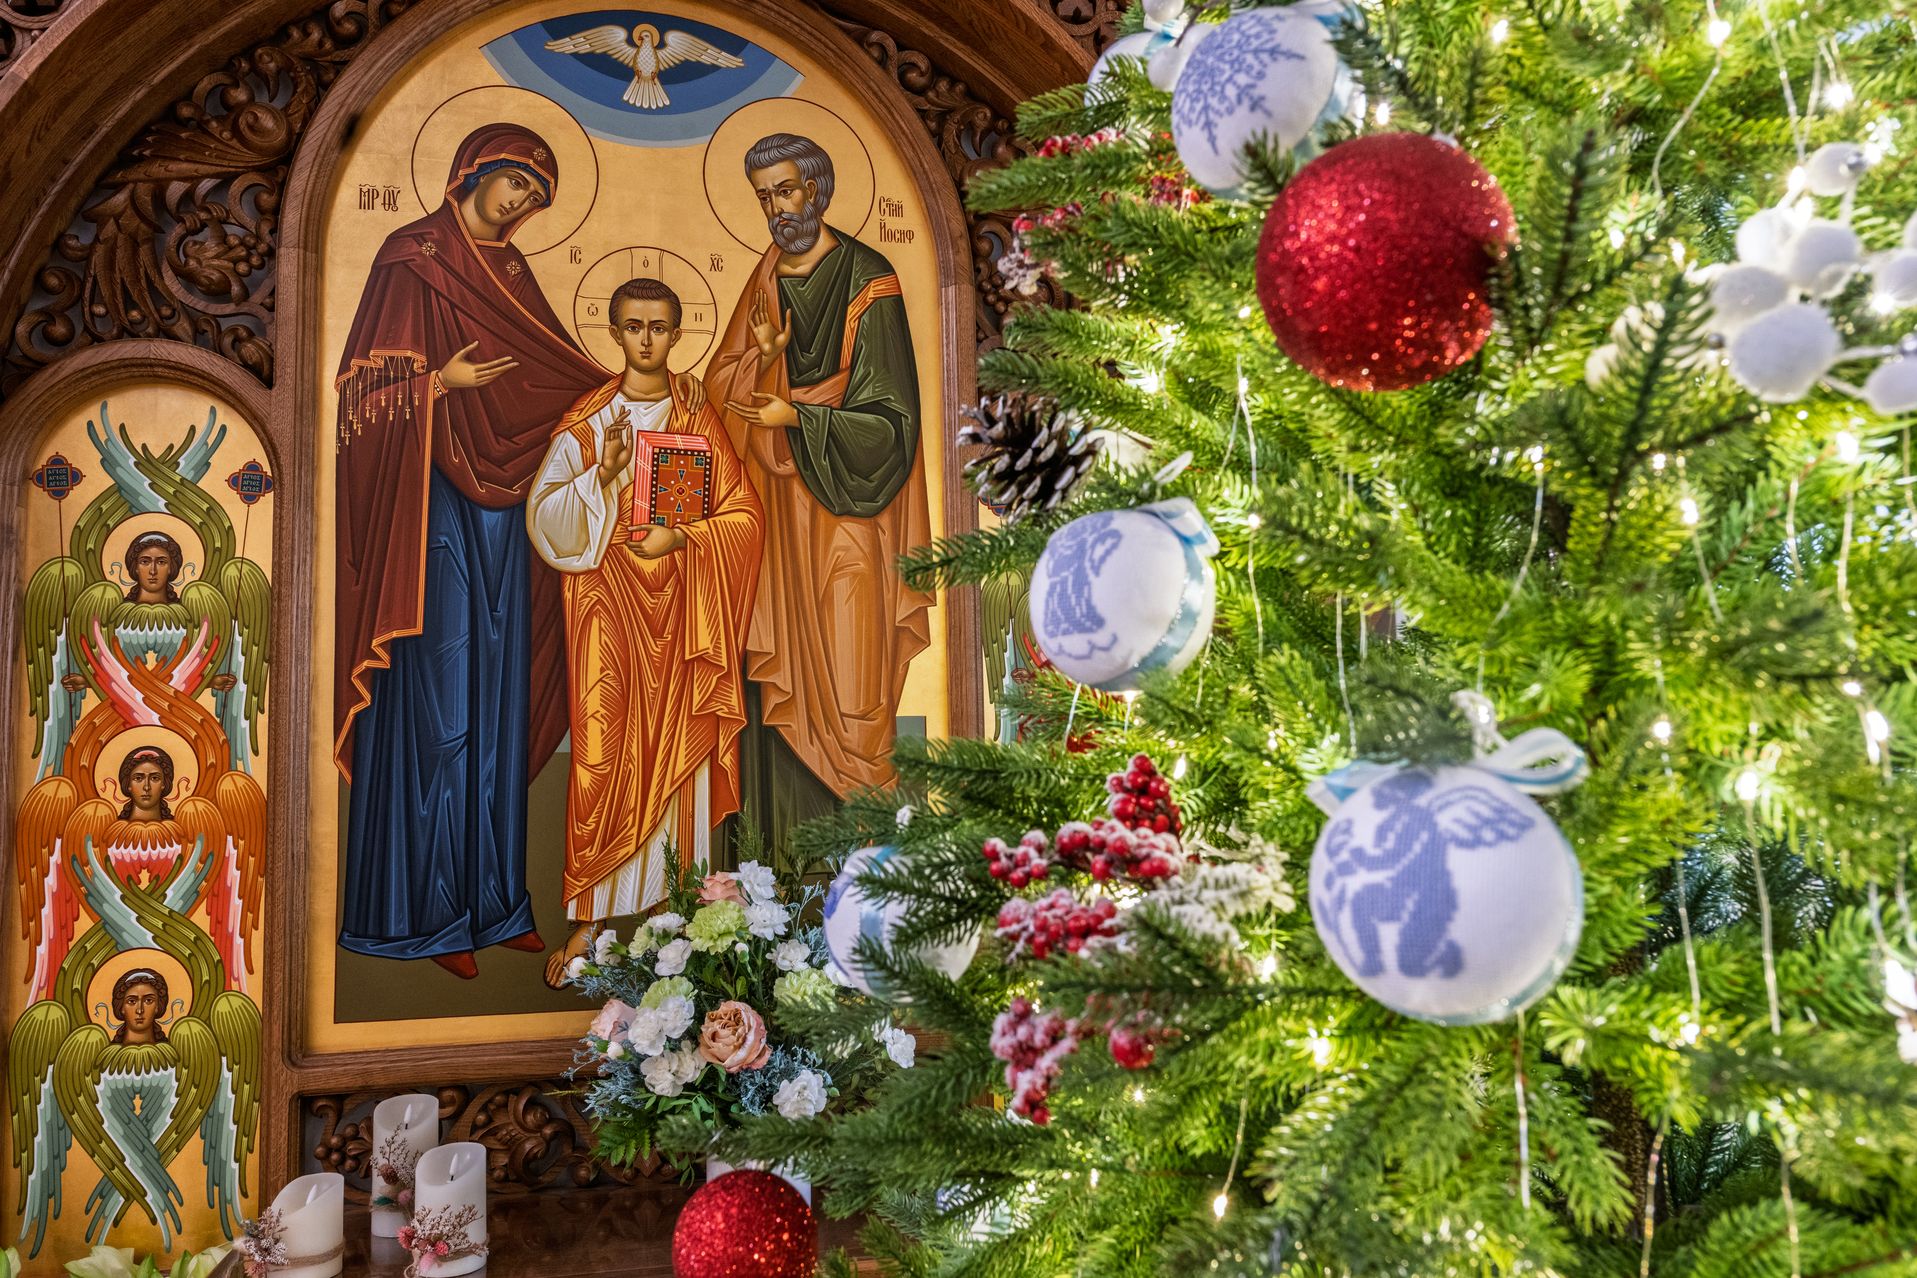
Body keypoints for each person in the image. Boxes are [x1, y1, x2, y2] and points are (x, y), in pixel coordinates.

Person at [333, 123, 701, 980]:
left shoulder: (518, 279)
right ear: (474, 170)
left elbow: (552, 384)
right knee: (441, 710)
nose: (522, 205)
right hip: (430, 512)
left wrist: (634, 422)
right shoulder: (411, 259)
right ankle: (426, 918)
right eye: (517, 185)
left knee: (496, 705)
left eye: (536, 197)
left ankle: (496, 906)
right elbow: (356, 404)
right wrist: (439, 384)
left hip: (513, 528)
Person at [528, 278, 762, 985]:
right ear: (615, 332)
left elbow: (743, 515)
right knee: (602, 754)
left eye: (659, 327)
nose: (647, 340)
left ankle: (678, 911)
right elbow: (544, 518)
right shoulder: (588, 421)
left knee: (678, 759)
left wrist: (683, 537)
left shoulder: (696, 416)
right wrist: (600, 479)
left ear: (676, 333)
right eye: (634, 326)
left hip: (684, 614)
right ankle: (591, 919)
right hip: (606, 608)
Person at [705, 133, 933, 855]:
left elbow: (892, 422)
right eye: (764, 196)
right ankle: (772, 874)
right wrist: (760, 366)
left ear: (816, 190)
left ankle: (869, 864)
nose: (776, 208)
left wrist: (796, 417)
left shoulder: (869, 279)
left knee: (852, 671)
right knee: (775, 681)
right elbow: (720, 385)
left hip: (850, 509)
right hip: (776, 516)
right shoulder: (765, 278)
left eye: (786, 190)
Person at [110, 968, 169, 1045]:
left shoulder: (167, 1050)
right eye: (131, 1001)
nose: (139, 1010)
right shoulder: (110, 1051)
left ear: (158, 1006)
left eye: (148, 1000)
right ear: (121, 1007)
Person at [118, 746, 173, 822]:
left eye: (154, 778)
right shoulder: (116, 827)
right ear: (128, 784)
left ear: (164, 784)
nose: (146, 787)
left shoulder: (176, 826)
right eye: (138, 778)